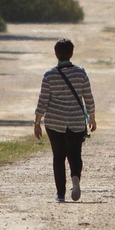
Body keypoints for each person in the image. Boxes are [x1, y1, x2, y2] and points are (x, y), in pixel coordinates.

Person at [34, 38, 96, 202]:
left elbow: (43, 101)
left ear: (56, 54)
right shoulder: (80, 73)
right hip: (76, 121)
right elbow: (88, 97)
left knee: (58, 156)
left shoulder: (49, 75)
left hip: (54, 122)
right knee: (75, 154)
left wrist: (37, 122)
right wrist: (92, 117)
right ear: (71, 53)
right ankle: (75, 177)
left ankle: (60, 194)